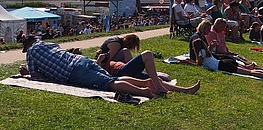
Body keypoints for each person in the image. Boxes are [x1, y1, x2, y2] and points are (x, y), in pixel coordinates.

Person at [20, 36, 165, 98]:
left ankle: (144, 91)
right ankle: (146, 83)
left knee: (110, 84)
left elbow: (36, 77)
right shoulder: (49, 44)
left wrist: (27, 73)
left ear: (27, 47)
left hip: (74, 72)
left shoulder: (31, 52)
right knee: (113, 78)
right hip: (81, 60)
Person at [96, 38, 200, 94]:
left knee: (156, 79)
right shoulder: (100, 61)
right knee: (147, 54)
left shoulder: (113, 54)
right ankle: (159, 87)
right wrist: (100, 60)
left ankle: (185, 90)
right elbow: (98, 71)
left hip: (125, 70)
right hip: (121, 72)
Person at [191, 36, 263, 80]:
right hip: (224, 62)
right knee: (249, 70)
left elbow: (198, 64)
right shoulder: (206, 51)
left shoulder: (201, 53)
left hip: (222, 66)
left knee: (249, 72)